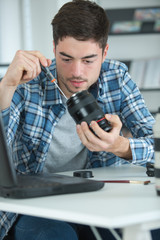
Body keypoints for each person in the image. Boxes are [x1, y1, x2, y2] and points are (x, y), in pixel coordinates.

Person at [0, 0, 155, 239]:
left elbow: (153, 144)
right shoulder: (26, 83)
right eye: (66, 58)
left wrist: (120, 146)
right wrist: (6, 87)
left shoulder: (116, 76)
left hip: (101, 196)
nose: (76, 72)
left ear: (105, 52)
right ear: (53, 48)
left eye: (88, 60)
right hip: (38, 202)